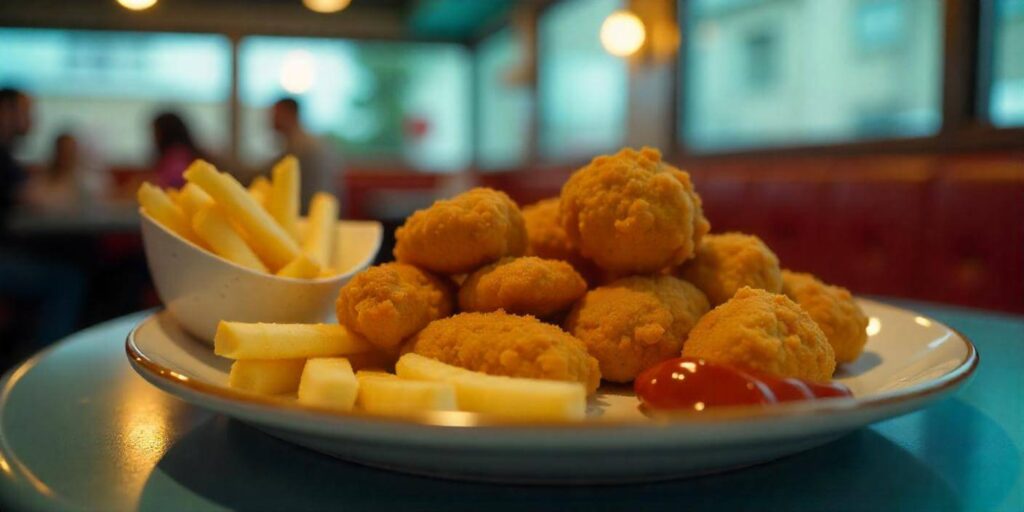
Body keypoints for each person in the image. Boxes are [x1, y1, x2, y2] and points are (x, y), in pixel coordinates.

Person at [270, 97, 341, 209]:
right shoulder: (311, 140)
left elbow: (269, 173)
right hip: (326, 209)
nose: (270, 119)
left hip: (310, 214)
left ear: (289, 114)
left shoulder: (300, 147)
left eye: (275, 113)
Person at [0, 87, 30, 230]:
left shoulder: (7, 155)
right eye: (25, 111)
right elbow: (26, 196)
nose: (31, 119)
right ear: (5, 110)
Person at [152, 112, 205, 188]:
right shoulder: (186, 152)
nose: (154, 137)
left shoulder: (176, 156)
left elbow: (177, 183)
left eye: (155, 131)